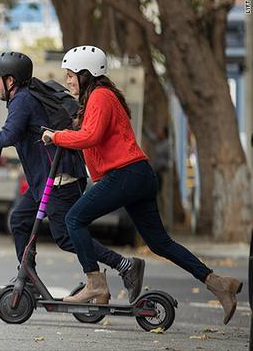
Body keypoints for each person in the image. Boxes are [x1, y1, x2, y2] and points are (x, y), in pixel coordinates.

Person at [43, 45, 243, 323]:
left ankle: (95, 283)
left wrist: (58, 137)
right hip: (136, 176)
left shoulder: (101, 96)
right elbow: (93, 139)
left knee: (73, 219)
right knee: (160, 243)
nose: (68, 80)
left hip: (125, 175)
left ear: (86, 74)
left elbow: (90, 136)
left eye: (71, 74)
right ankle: (218, 283)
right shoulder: (97, 99)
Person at [0, 51, 145, 301]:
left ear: (11, 81)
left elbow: (8, 135)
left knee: (65, 236)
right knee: (20, 220)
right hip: (43, 181)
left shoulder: (23, 99)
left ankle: (124, 265)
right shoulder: (26, 94)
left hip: (59, 179)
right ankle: (28, 278)